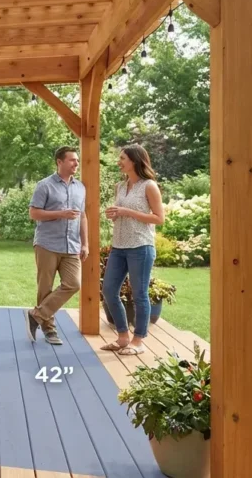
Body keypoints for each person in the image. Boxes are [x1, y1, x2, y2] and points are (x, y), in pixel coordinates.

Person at [99, 144, 165, 356]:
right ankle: (122, 337)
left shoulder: (149, 186)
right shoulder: (121, 186)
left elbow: (159, 218)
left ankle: (138, 340)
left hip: (141, 247)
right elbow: (123, 212)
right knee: (109, 290)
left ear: (135, 161)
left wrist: (126, 211)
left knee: (139, 295)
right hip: (119, 247)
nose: (119, 162)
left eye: (123, 158)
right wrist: (115, 214)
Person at [26, 146, 88, 345]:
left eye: (77, 160)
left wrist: (85, 244)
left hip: (71, 246)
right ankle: (49, 330)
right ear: (59, 162)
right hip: (47, 244)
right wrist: (60, 214)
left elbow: (83, 216)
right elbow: (34, 213)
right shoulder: (44, 185)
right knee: (45, 288)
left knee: (73, 284)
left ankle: (37, 315)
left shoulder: (80, 187)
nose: (76, 164)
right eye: (72, 160)